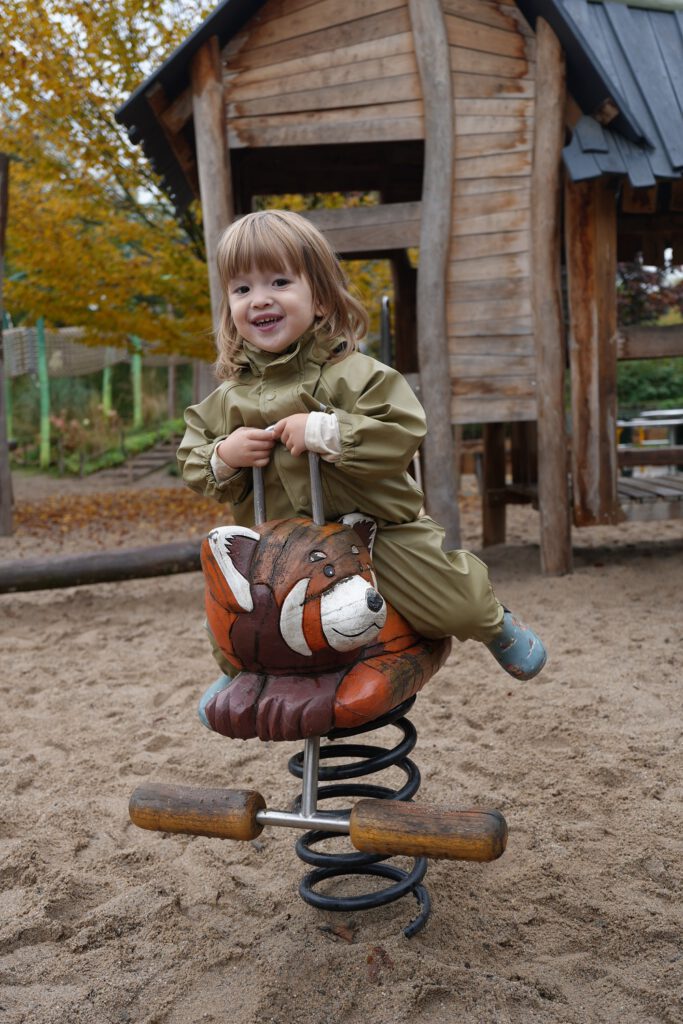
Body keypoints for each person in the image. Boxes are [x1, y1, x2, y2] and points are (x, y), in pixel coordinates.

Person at [178, 210, 546, 682]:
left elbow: (402, 432)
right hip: (281, 549)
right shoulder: (227, 399)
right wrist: (223, 455)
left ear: (321, 300)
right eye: (242, 289)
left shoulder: (356, 375)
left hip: (375, 533)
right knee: (237, 626)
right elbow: (191, 459)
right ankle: (239, 680)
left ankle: (496, 624)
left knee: (453, 604)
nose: (260, 300)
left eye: (279, 282)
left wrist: (329, 431)